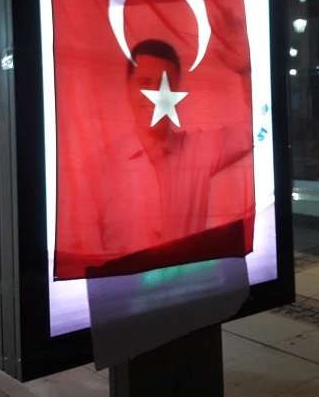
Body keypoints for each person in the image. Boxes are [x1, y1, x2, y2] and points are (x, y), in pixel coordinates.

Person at [83, 39, 255, 277]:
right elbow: (88, 257)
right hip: (124, 295)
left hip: (188, 290)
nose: (155, 95)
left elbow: (259, 130)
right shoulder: (99, 167)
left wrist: (245, 71)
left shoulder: (200, 149)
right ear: (128, 89)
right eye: (145, 83)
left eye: (165, 84)